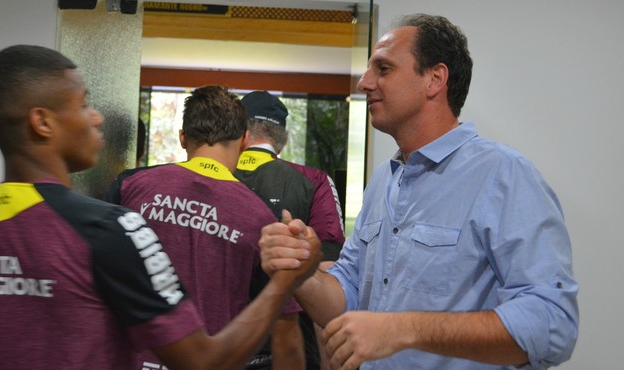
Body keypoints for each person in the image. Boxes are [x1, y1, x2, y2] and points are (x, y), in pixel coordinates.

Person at [0, 45, 321, 370]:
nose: (96, 116)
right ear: (42, 122)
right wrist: (285, 282)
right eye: (83, 105)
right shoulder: (106, 230)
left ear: (185, 137)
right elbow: (204, 361)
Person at [258, 13, 579, 370]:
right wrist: (301, 273)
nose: (365, 83)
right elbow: (345, 296)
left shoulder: (504, 175)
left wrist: (405, 328)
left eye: (383, 68)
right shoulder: (384, 179)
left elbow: (553, 323)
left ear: (434, 79)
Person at [105, 85, 306, 370]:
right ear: (245, 140)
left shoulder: (129, 186)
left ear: (183, 137)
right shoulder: (263, 217)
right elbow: (284, 326)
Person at [235, 91, 346, 369]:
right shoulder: (314, 181)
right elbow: (329, 267)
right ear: (281, 141)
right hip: (288, 344)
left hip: (217, 340)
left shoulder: (207, 177)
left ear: (239, 133)